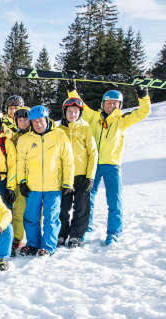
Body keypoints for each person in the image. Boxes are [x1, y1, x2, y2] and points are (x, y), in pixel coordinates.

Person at [68, 80, 151, 245]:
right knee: (87, 199)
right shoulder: (93, 117)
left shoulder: (123, 120)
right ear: (103, 104)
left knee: (114, 200)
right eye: (109, 103)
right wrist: (72, 89)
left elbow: (144, 112)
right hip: (92, 165)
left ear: (120, 105)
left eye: (115, 103)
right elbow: (79, 104)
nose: (111, 106)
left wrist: (143, 95)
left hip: (112, 165)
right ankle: (86, 230)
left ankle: (113, 233)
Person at [16, 106, 75, 257]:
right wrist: (22, 181)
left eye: (40, 120)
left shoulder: (59, 136)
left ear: (47, 119)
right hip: (33, 187)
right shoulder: (25, 140)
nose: (38, 124)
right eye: (34, 122)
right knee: (31, 218)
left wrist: (68, 183)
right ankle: (33, 244)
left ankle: (48, 246)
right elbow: (20, 163)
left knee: (51, 218)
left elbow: (68, 161)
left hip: (53, 187)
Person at [57, 98, 98, 248]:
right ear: (64, 112)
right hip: (64, 176)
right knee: (63, 207)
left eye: (76, 112)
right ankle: (61, 234)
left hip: (82, 175)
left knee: (81, 207)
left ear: (80, 113)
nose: (72, 114)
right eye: (70, 111)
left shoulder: (85, 128)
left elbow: (93, 153)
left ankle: (76, 235)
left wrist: (90, 176)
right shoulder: (59, 130)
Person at [10, 106, 31, 255]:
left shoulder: (36, 135)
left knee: (35, 212)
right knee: (18, 210)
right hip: (19, 178)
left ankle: (34, 238)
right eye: (20, 120)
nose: (22, 123)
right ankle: (17, 237)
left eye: (25, 120)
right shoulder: (14, 137)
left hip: (34, 178)